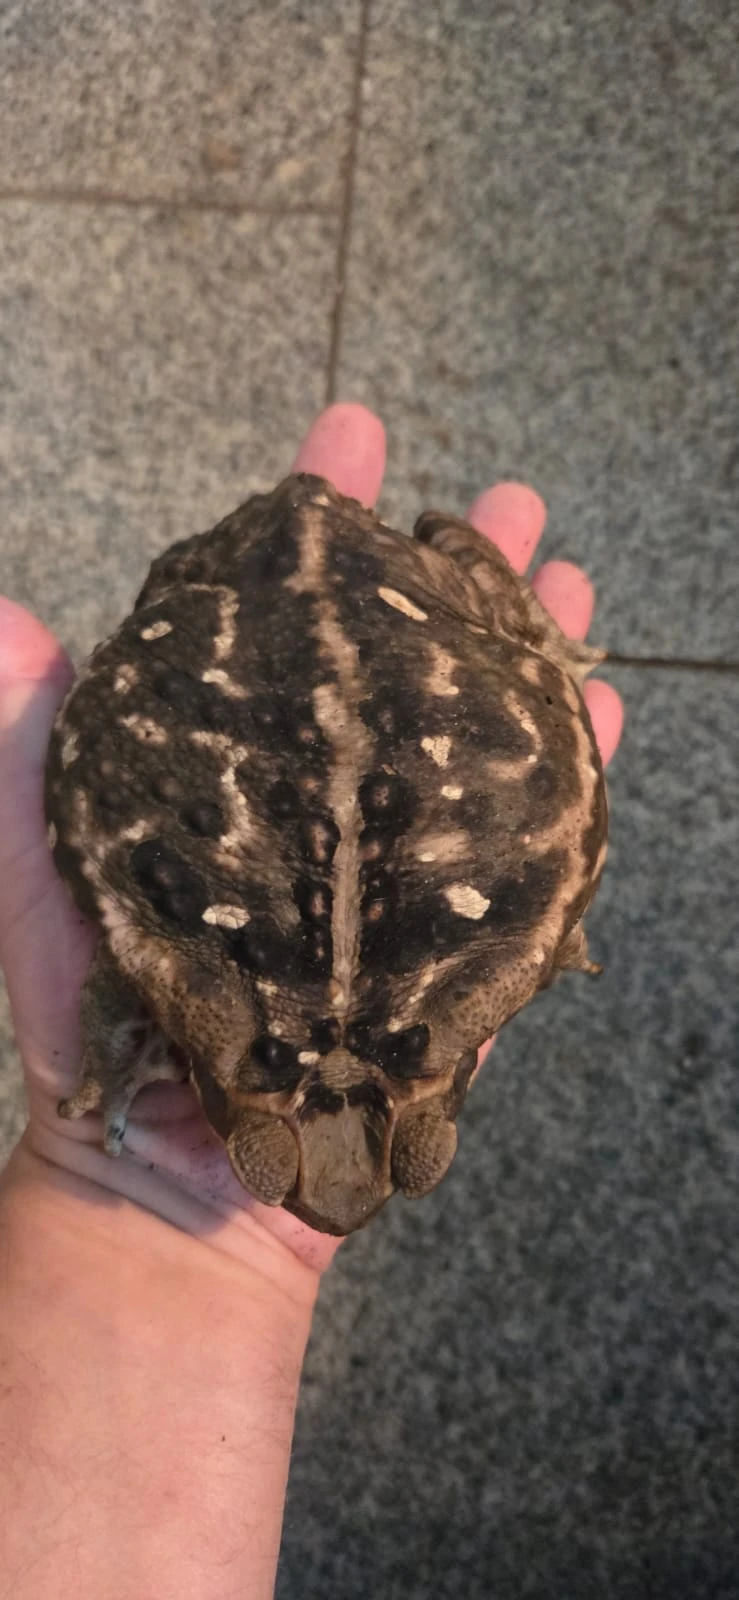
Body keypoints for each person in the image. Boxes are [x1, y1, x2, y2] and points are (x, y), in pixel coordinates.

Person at [0, 403, 623, 1597]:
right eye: (411, 1145)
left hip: (237, 607)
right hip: (260, 612)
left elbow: (552, 875)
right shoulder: (191, 981)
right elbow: (556, 865)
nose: (337, 1189)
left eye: (268, 1150)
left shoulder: (447, 962)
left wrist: (117, 1066)